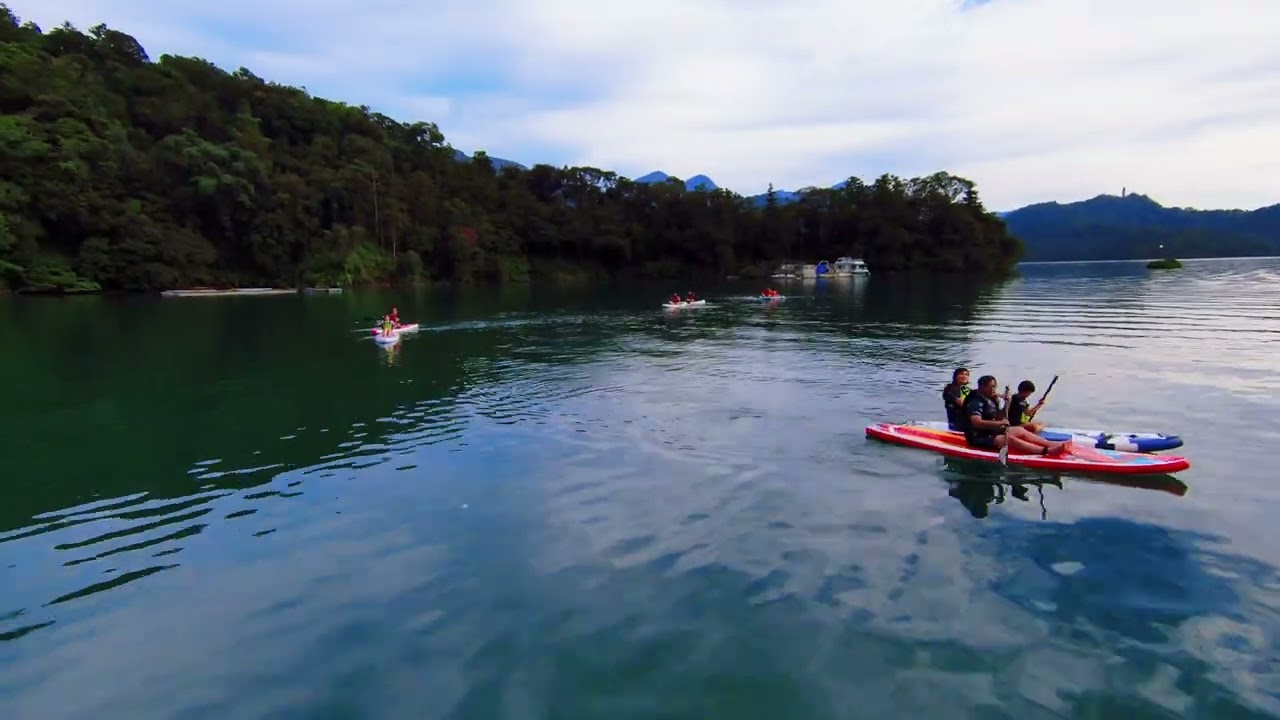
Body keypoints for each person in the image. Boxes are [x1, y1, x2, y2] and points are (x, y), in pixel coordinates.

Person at [962, 375, 1068, 455]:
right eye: (991, 386)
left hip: (992, 432)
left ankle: (1052, 444)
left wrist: (1006, 405)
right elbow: (976, 423)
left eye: (995, 386)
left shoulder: (990, 399)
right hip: (979, 437)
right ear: (982, 387)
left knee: (1019, 430)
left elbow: (999, 416)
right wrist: (999, 423)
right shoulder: (975, 401)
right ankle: (1046, 451)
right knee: (1010, 439)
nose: (994, 389)